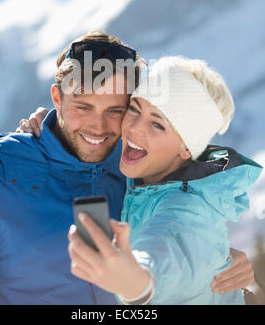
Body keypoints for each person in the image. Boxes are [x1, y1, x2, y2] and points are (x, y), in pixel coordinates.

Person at [0, 31, 254, 304]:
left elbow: (174, 238)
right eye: (83, 107)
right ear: (57, 99)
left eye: (115, 110)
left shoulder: (135, 172)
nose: (98, 127)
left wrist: (208, 259)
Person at [65, 55, 262, 305]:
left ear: (186, 148)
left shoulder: (189, 212)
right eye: (134, 109)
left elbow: (169, 247)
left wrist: (134, 281)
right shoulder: (145, 174)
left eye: (157, 124)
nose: (134, 127)